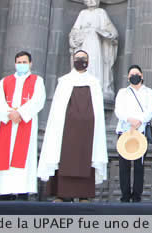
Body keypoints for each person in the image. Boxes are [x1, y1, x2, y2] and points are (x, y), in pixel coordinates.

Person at [38, 50, 108, 202]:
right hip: (65, 128)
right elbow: (57, 109)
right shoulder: (64, 82)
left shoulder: (94, 83)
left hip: (88, 129)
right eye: (77, 58)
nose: (80, 61)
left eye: (83, 58)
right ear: (72, 60)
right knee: (64, 158)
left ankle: (84, 195)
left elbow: (97, 109)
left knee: (86, 158)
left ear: (88, 62)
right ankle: (62, 194)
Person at [0, 51, 46, 200]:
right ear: (15, 64)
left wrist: (20, 113)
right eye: (19, 62)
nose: (21, 65)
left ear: (30, 64)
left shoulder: (37, 80)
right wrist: (9, 113)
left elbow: (38, 100)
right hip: (7, 123)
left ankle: (22, 191)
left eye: (24, 62)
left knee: (23, 157)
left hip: (25, 122)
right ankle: (5, 191)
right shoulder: (5, 81)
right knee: (4, 156)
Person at [114, 65, 152, 202]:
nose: (134, 76)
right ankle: (125, 195)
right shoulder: (122, 92)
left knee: (139, 165)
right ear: (128, 77)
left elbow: (151, 110)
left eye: (137, 73)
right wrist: (129, 120)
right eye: (131, 74)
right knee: (124, 165)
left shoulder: (148, 92)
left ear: (142, 76)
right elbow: (118, 110)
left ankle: (137, 195)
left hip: (141, 131)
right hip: (124, 131)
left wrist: (139, 121)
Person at [69, 0, 118, 100]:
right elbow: (75, 30)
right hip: (84, 44)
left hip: (96, 44)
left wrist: (106, 33)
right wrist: (74, 38)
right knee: (83, 61)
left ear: (97, 1)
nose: (90, 1)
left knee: (95, 62)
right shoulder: (82, 13)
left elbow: (110, 29)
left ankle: (98, 86)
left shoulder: (101, 12)